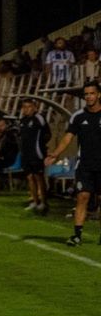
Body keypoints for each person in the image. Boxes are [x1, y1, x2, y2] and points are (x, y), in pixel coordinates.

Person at [46, 80, 101, 245]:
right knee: (82, 197)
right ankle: (77, 235)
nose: (89, 97)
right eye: (86, 94)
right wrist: (55, 154)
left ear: (98, 94)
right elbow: (68, 137)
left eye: (92, 93)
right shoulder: (78, 116)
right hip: (84, 165)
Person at [17, 97, 51, 215]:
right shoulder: (22, 120)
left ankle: (44, 202)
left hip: (37, 153)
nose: (26, 109)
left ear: (34, 107)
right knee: (29, 177)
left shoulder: (39, 118)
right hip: (26, 153)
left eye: (29, 107)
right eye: (24, 107)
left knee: (39, 177)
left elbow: (47, 134)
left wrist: (40, 146)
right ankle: (35, 201)